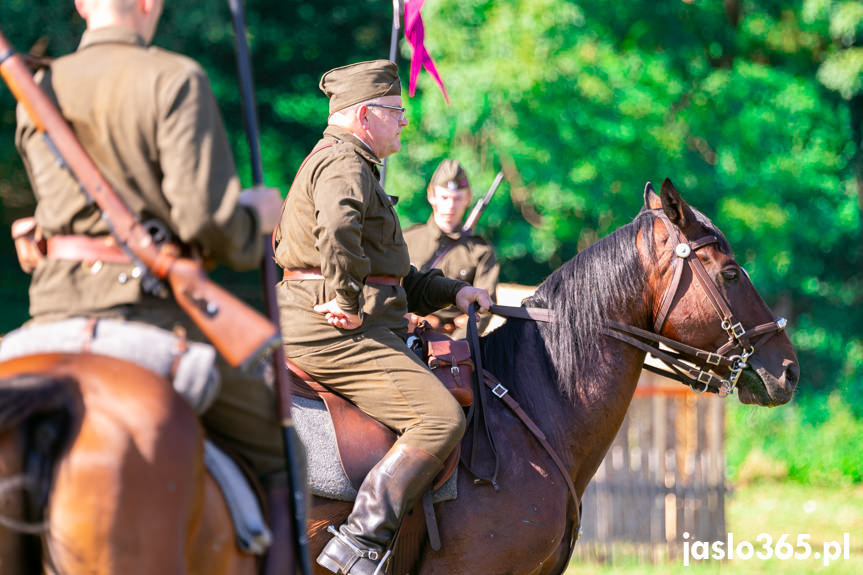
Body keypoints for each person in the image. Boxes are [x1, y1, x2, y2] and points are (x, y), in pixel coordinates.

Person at [13, 0, 291, 560]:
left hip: (48, 320)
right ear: (149, 4)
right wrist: (255, 217)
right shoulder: (174, 77)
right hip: (148, 314)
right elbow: (206, 222)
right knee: (280, 445)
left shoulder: (36, 89)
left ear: (80, 5)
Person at [274, 60, 493, 575]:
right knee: (439, 418)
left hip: (351, 320)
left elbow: (395, 277)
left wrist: (456, 291)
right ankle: (359, 543)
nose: (403, 122)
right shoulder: (343, 164)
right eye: (396, 112)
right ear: (367, 115)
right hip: (330, 331)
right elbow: (339, 231)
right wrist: (347, 300)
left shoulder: (354, 164)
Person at [403, 159, 499, 338]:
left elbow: (485, 308)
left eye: (457, 198)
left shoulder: (480, 251)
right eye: (444, 197)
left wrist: (456, 346)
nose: (450, 206)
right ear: (431, 195)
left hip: (453, 342)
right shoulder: (406, 239)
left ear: (468, 198)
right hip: (405, 334)